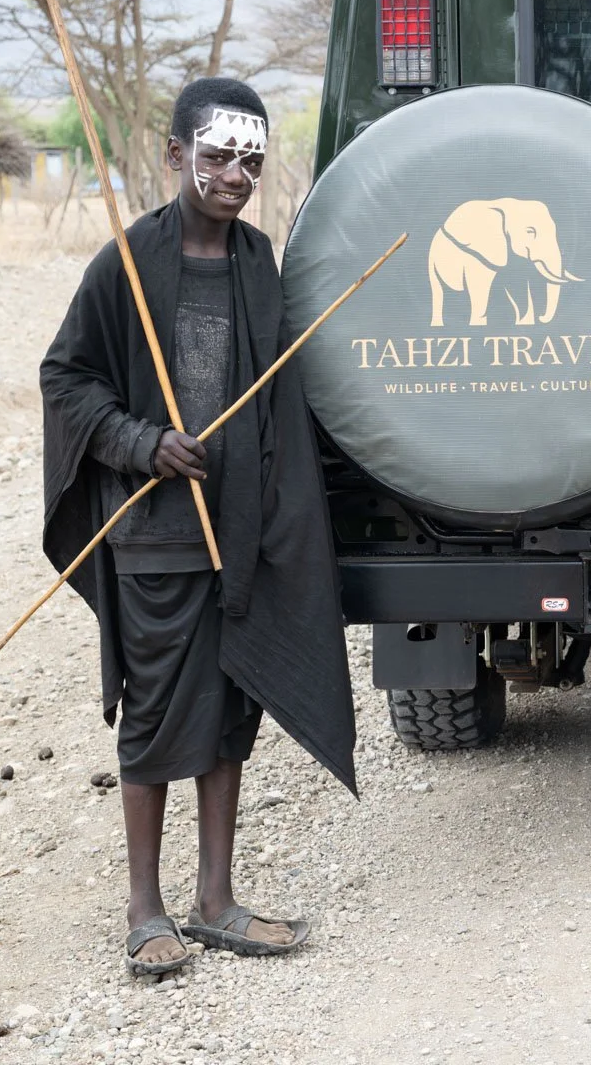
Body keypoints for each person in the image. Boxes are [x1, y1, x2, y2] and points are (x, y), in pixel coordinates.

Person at [40, 78, 357, 977]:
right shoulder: (126, 263)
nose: (233, 175)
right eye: (216, 156)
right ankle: (145, 910)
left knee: (230, 716)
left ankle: (215, 902)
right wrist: (143, 443)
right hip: (153, 535)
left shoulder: (259, 260)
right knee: (153, 720)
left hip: (241, 532)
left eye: (250, 160)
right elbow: (66, 379)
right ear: (175, 155)